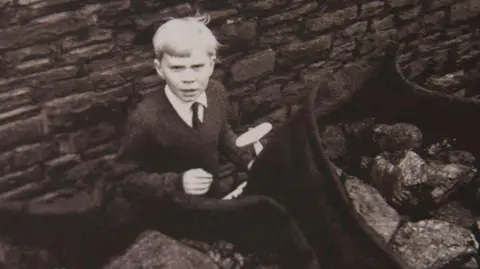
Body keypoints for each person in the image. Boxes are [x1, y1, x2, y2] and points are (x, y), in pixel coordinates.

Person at [115, 14, 320, 269]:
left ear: (211, 65)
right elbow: (126, 178)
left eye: (197, 67)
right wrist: (177, 181)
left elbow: (223, 134)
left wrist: (247, 161)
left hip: (213, 198)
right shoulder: (146, 119)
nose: (188, 78)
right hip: (174, 211)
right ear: (159, 68)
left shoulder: (216, 93)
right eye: (177, 68)